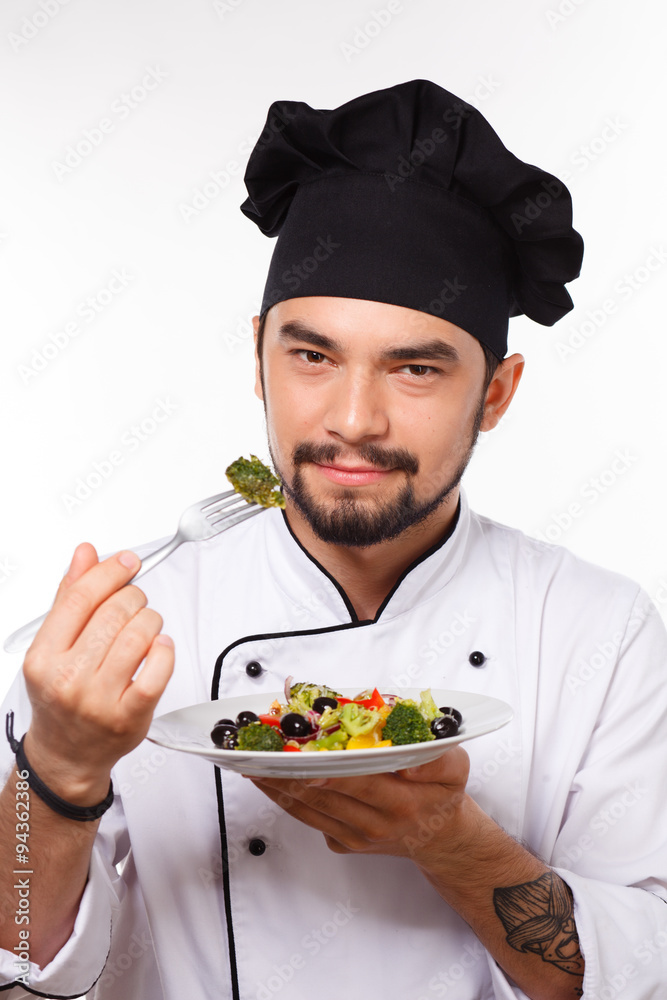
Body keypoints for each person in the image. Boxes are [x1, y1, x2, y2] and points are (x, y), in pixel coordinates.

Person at [0, 79, 666, 1000]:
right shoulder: (127, 632)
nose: (353, 420)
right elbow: (17, 972)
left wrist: (451, 842)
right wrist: (55, 775)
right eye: (311, 356)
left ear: (497, 393)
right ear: (258, 357)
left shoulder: (597, 631)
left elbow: (644, 969)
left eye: (416, 367)